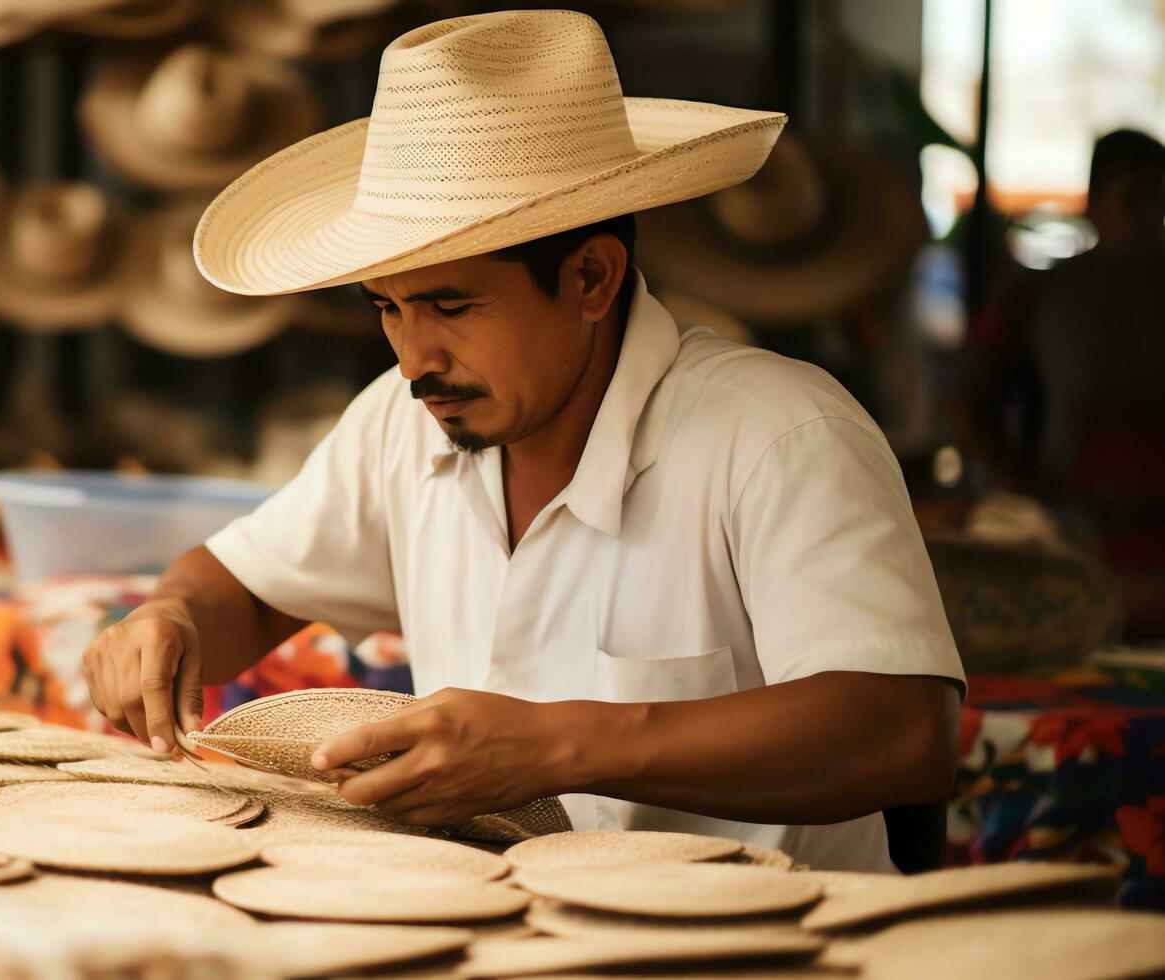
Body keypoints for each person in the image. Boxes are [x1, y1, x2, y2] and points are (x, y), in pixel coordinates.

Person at [82, 9, 964, 873]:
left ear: (589, 278)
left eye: (452, 306)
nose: (415, 356)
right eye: (388, 307)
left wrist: (560, 746)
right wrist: (171, 618)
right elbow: (239, 586)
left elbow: (898, 734)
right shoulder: (400, 418)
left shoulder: (777, 434)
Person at [962, 129, 1165, 636]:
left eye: (1159, 201)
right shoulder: (1041, 291)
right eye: (1134, 200)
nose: (1148, 217)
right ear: (1096, 203)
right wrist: (1021, 490)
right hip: (1075, 528)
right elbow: (967, 397)